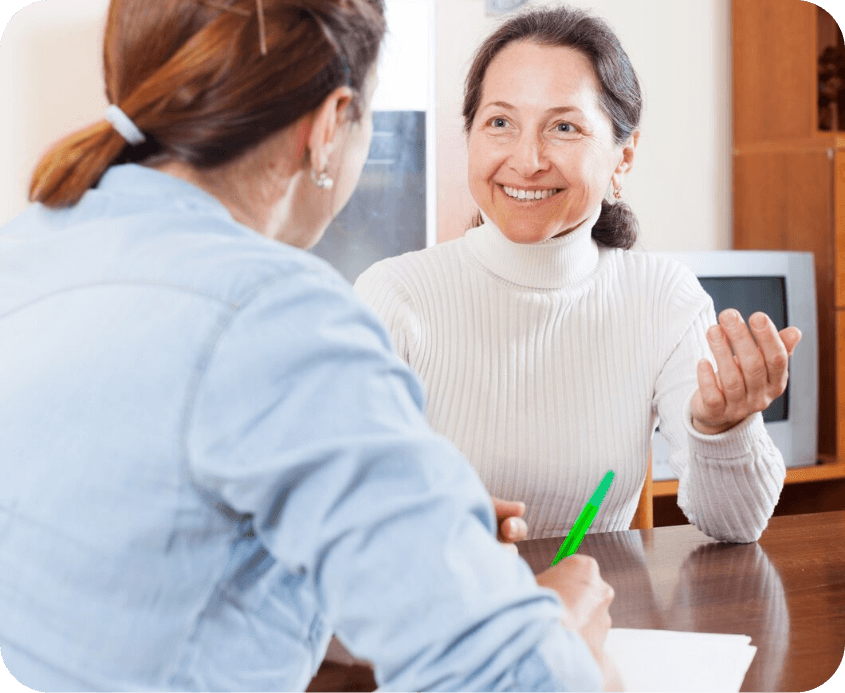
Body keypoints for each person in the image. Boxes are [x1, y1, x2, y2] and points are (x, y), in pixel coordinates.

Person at [0, 1, 623, 691]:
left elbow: (144, 550)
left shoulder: (28, 249)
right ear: (329, 126)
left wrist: (391, 516)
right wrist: (556, 625)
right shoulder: (277, 313)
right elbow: (517, 678)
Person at [355, 5, 802, 543]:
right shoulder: (395, 295)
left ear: (624, 156)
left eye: (563, 127)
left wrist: (722, 428)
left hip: (602, 615)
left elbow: (737, 526)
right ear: (470, 133)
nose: (528, 160)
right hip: (442, 611)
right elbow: (339, 515)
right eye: (501, 122)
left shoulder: (661, 297)